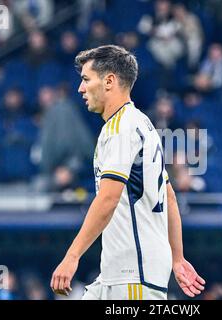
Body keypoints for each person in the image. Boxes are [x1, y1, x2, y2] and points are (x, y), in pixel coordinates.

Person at [50, 45, 205, 300]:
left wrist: (72, 256)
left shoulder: (121, 128)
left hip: (133, 275)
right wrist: (177, 258)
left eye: (86, 79)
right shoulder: (144, 125)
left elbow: (109, 198)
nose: (80, 88)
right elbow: (170, 198)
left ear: (109, 81)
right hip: (120, 274)